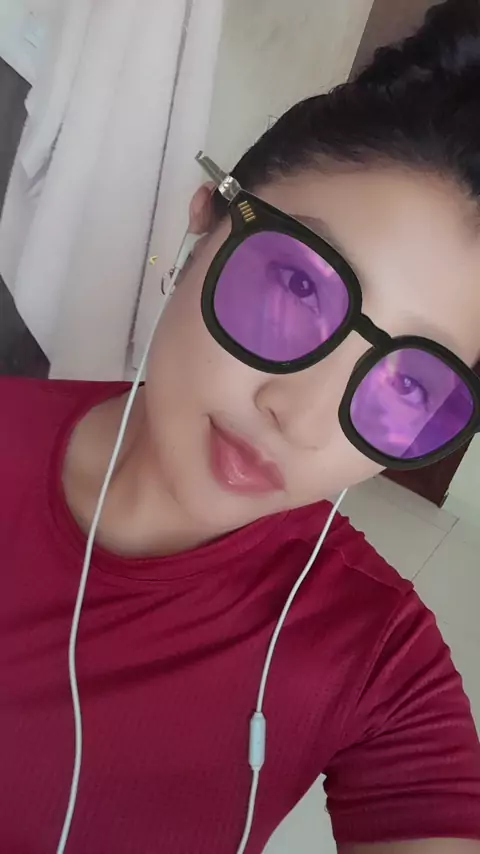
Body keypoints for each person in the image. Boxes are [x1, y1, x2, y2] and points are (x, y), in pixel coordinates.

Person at [1, 1, 480, 852]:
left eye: (410, 381)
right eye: (299, 287)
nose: (301, 414)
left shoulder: (377, 662)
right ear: (205, 219)